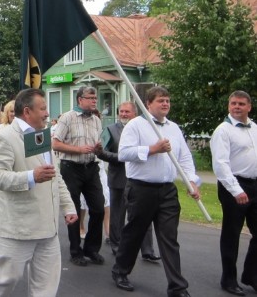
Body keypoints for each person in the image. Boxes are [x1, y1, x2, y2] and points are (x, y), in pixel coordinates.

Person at [0, 88, 78, 296]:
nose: (47, 113)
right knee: (4, 282)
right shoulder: (4, 137)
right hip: (19, 229)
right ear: (27, 111)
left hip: (48, 230)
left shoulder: (43, 136)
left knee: (46, 287)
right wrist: (31, 176)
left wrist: (68, 205)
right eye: (43, 108)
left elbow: (55, 175)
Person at [112, 86, 200, 296]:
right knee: (134, 234)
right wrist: (153, 149)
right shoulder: (135, 125)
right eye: (161, 100)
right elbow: (124, 154)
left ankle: (178, 287)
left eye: (168, 100)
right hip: (141, 189)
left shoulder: (174, 128)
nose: (165, 104)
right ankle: (120, 271)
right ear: (148, 103)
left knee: (169, 238)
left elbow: (185, 158)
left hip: (167, 191)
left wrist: (192, 181)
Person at [96, 101, 160, 262]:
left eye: (127, 112)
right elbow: (102, 153)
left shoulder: (145, 129)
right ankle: (116, 245)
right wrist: (124, 157)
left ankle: (147, 250)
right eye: (121, 112)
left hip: (140, 179)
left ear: (135, 113)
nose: (124, 114)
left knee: (143, 215)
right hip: (118, 179)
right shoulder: (110, 130)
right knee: (117, 216)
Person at [210, 90, 257, 296]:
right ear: (229, 106)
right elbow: (220, 165)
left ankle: (252, 275)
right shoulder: (223, 130)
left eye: (241, 104)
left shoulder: (255, 128)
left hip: (255, 185)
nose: (237, 107)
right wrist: (236, 190)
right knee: (232, 234)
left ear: (249, 107)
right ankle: (228, 279)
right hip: (234, 187)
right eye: (233, 104)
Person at [52, 86, 105, 266]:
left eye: (95, 98)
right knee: (73, 210)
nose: (93, 101)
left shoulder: (96, 120)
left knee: (98, 208)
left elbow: (98, 143)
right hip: (71, 168)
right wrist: (78, 149)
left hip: (91, 167)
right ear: (80, 100)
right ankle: (76, 251)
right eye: (90, 98)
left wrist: (98, 149)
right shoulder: (68, 118)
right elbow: (56, 144)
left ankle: (91, 249)